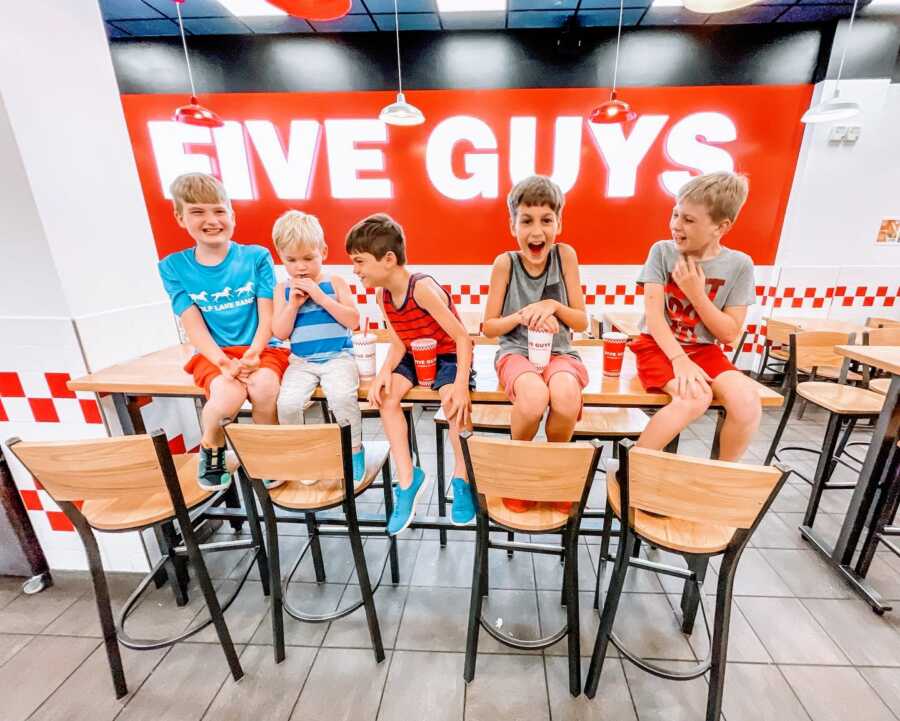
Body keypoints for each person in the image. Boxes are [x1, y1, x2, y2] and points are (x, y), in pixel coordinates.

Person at [158, 173, 288, 490]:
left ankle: (264, 453)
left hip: (262, 347)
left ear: (232, 214)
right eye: (198, 212)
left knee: (264, 388)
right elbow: (192, 324)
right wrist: (222, 361)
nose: (211, 220)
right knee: (227, 396)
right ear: (180, 217)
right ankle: (212, 446)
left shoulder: (256, 256)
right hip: (214, 353)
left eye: (218, 210)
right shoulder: (173, 267)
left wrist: (255, 352)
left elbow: (266, 312)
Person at [346, 213, 475, 534]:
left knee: (452, 402)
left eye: (359, 261)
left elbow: (462, 338)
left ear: (388, 259)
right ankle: (408, 478)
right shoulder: (382, 296)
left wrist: (460, 386)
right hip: (414, 355)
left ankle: (462, 477)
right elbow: (399, 343)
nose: (355, 269)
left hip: (447, 355)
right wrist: (382, 374)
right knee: (386, 397)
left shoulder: (423, 289)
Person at [632, 171, 761, 461]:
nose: (676, 226)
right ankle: (632, 470)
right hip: (658, 345)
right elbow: (654, 318)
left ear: (720, 227)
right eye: (675, 214)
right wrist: (680, 360)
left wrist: (697, 294)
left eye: (688, 220)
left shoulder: (739, 265)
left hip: (704, 350)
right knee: (694, 397)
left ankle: (718, 477)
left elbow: (729, 334)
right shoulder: (662, 252)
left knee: (747, 402)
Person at [483, 175, 588, 513]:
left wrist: (553, 306)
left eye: (546, 220)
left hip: (560, 352)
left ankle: (553, 474)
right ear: (512, 224)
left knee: (566, 396)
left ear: (559, 222)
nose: (536, 231)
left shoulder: (566, 256)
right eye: (526, 220)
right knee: (533, 399)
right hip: (515, 352)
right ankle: (519, 471)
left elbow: (582, 321)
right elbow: (488, 327)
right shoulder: (505, 264)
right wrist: (522, 315)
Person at [271, 210, 365, 481]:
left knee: (342, 398)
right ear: (281, 258)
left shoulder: (334, 282)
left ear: (323, 251)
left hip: (338, 357)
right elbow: (280, 331)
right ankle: (304, 456)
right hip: (301, 362)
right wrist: (292, 305)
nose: (301, 267)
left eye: (308, 258)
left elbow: (353, 320)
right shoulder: (282, 290)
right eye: (291, 260)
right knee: (287, 404)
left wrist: (321, 298)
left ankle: (354, 450)